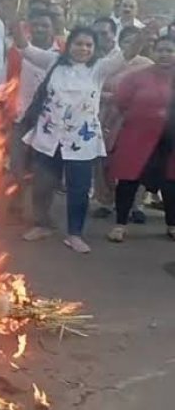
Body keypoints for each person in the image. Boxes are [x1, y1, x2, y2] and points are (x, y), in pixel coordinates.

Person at [17, 25, 139, 253]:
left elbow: (128, 54)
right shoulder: (53, 61)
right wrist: (15, 24)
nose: (83, 49)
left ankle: (75, 234)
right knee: (42, 185)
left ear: (94, 49)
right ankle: (42, 225)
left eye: (88, 45)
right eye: (78, 44)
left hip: (82, 142)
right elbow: (24, 48)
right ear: (69, 45)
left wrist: (146, 34)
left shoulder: (100, 69)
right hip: (48, 137)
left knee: (79, 189)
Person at [107, 34, 175, 242]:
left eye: (170, 50)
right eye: (161, 49)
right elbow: (120, 103)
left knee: (171, 184)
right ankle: (120, 224)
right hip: (137, 139)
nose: (165, 54)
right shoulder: (137, 77)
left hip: (170, 142)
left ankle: (172, 225)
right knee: (128, 181)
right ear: (153, 51)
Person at [92, 23, 153, 222]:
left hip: (138, 121)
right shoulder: (107, 63)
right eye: (127, 41)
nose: (131, 45)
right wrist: (112, 97)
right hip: (108, 116)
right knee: (104, 161)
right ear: (120, 43)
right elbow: (93, 88)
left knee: (137, 161)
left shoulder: (149, 65)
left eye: (135, 41)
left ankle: (136, 205)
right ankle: (105, 202)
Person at [5, 9, 61, 216]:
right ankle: (17, 201)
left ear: (53, 28)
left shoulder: (63, 53)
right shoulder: (18, 51)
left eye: (45, 25)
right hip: (21, 116)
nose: (40, 29)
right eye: (35, 25)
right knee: (17, 165)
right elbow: (6, 79)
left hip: (50, 122)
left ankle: (41, 214)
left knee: (45, 170)